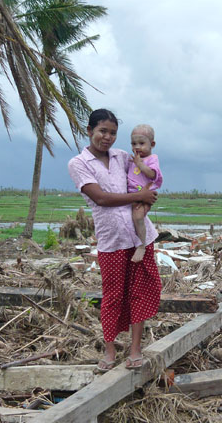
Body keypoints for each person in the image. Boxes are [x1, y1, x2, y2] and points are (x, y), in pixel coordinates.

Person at [68, 109, 162, 370]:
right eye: (102, 131)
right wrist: (139, 198)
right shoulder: (79, 163)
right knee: (112, 297)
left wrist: (147, 195)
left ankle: (134, 351)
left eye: (112, 133)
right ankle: (110, 352)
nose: (107, 137)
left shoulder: (122, 157)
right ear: (89, 131)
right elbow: (101, 198)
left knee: (139, 293)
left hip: (140, 237)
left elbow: (148, 174)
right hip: (111, 241)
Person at [127, 124, 163, 263]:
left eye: (141, 143)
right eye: (133, 143)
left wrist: (140, 164)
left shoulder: (152, 159)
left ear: (152, 144)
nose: (137, 147)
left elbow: (153, 174)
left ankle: (141, 245)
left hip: (144, 197)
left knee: (138, 217)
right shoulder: (133, 159)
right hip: (132, 195)